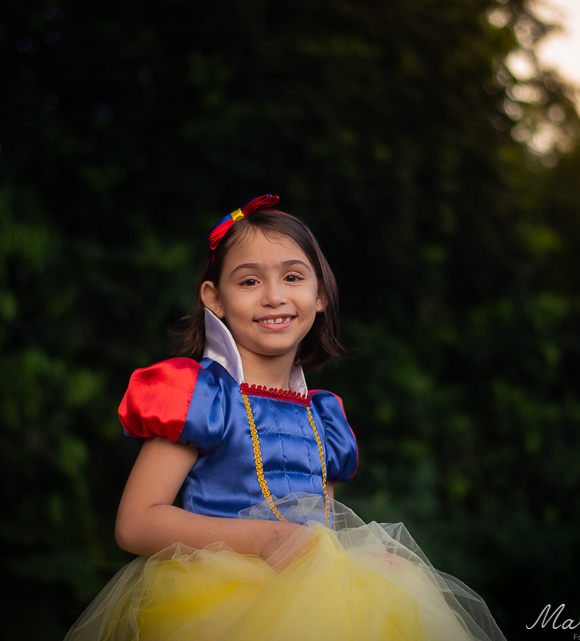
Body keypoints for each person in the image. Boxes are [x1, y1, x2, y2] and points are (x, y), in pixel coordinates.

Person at [65, 195, 506, 641]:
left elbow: (325, 527)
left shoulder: (323, 418)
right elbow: (135, 523)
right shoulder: (201, 397)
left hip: (316, 607)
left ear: (319, 297)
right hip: (214, 610)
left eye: (292, 277)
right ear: (214, 299)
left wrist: (363, 562)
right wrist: (264, 540)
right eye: (250, 281)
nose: (274, 296)